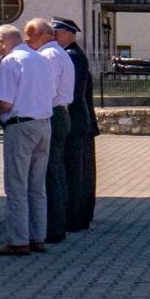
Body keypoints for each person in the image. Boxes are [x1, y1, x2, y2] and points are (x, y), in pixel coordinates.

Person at [0, 24, 54, 256]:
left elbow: (5, 103)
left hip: (20, 126)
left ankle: (18, 240)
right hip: (44, 124)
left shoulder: (10, 62)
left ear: (4, 42)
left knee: (16, 186)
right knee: (37, 187)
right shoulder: (41, 59)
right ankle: (38, 237)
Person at [26, 19, 75, 246]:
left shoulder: (49, 56)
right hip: (58, 113)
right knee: (54, 171)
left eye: (30, 36)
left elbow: (48, 88)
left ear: (43, 35)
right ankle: (55, 224)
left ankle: (52, 227)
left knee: (51, 173)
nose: (28, 41)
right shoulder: (56, 53)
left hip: (52, 113)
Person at [53, 17, 97, 231]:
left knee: (75, 171)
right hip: (80, 120)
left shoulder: (71, 56)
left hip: (75, 120)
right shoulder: (72, 55)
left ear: (70, 33)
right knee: (80, 171)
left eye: (57, 32)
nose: (54, 36)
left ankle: (75, 217)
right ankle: (79, 215)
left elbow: (71, 93)